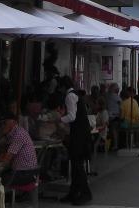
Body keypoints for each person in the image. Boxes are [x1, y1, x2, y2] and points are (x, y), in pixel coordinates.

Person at [59, 77, 92, 206]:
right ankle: (74, 192)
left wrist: (59, 120)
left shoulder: (69, 97)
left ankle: (85, 193)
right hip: (81, 133)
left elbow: (72, 116)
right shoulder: (76, 94)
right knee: (75, 165)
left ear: (63, 86)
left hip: (78, 134)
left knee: (77, 165)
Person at [0, 116, 38, 189]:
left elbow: (6, 159)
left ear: (13, 122)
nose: (2, 126)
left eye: (4, 123)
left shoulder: (18, 134)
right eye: (0, 124)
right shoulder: (11, 134)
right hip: (22, 172)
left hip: (25, 173)